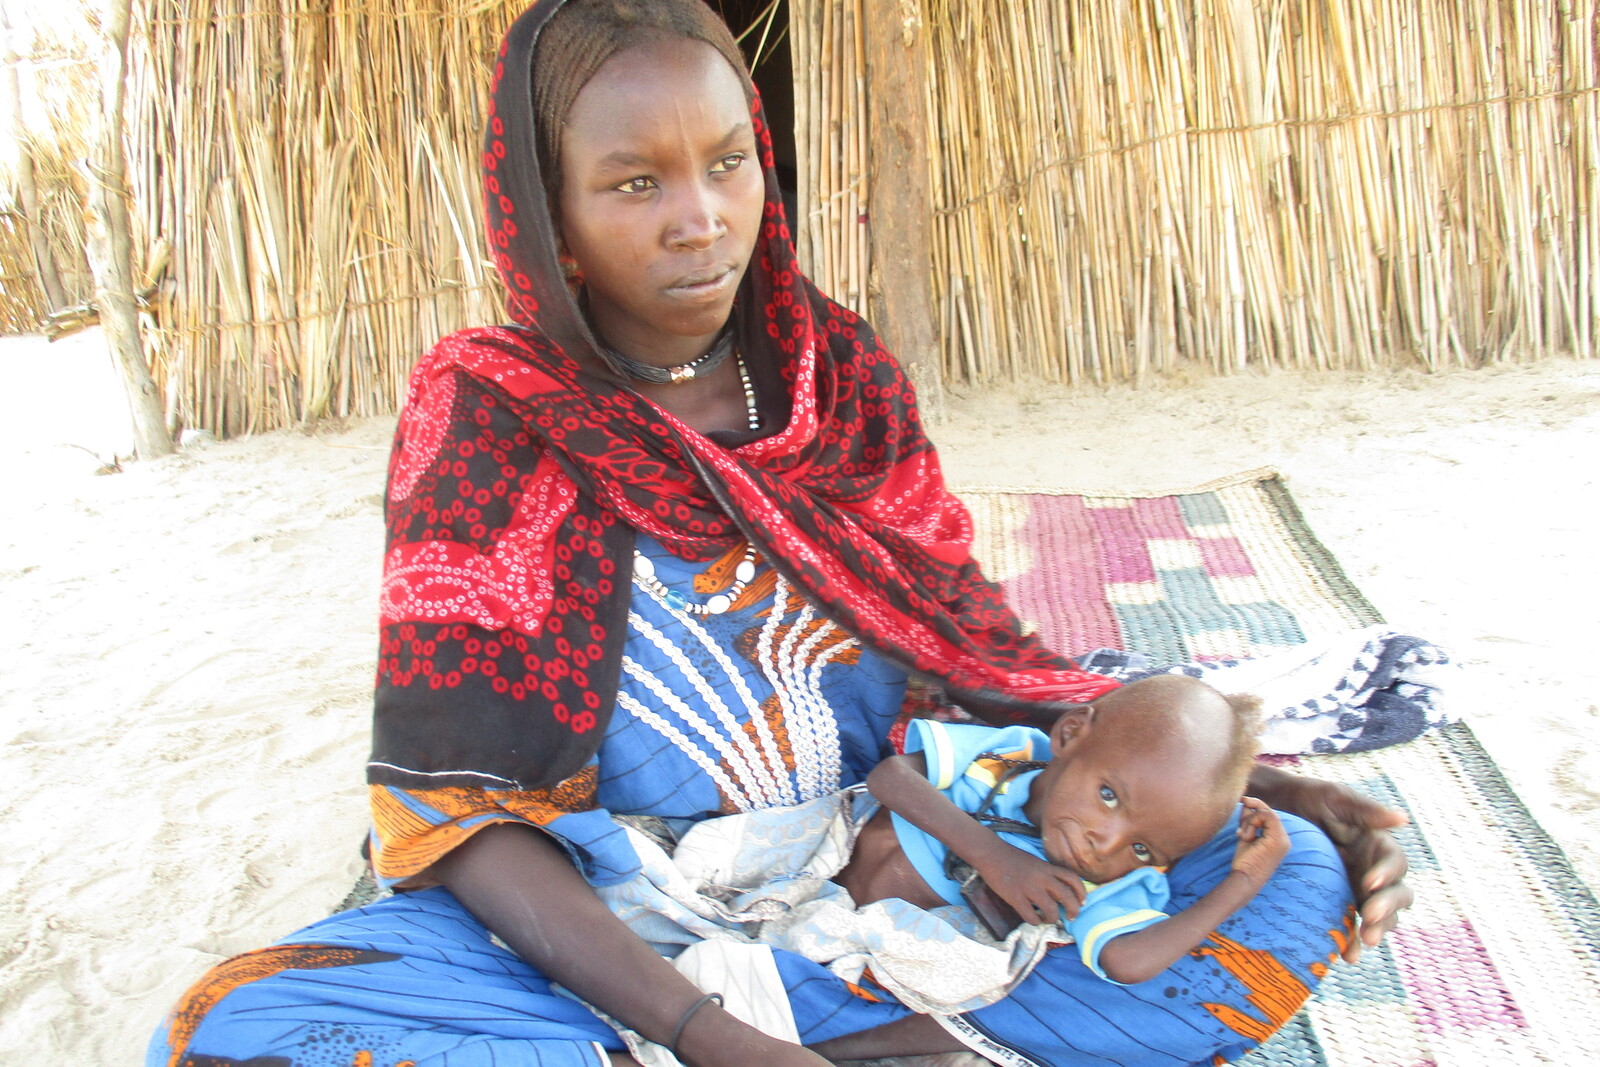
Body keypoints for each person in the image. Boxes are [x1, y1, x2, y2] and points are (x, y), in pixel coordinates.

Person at [147, 2, 1413, 1065]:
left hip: (883, 872)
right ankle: (874, 1041)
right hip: (607, 915)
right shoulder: (488, 415)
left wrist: (1256, 792)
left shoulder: (837, 374)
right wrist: (707, 1029)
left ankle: (869, 1025)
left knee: (1293, 878)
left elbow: (970, 654)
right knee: (241, 1023)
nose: (698, 216)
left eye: (725, 160)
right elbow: (458, 810)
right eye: (633, 181)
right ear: (552, 216)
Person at [840, 675, 1288, 987]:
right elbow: (891, 777)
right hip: (824, 865)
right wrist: (996, 858)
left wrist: (1243, 882)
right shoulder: (1009, 753)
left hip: (863, 955)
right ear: (1071, 734)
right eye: (1109, 796)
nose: (1106, 844)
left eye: (1142, 848)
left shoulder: (1093, 886)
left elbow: (1128, 962)